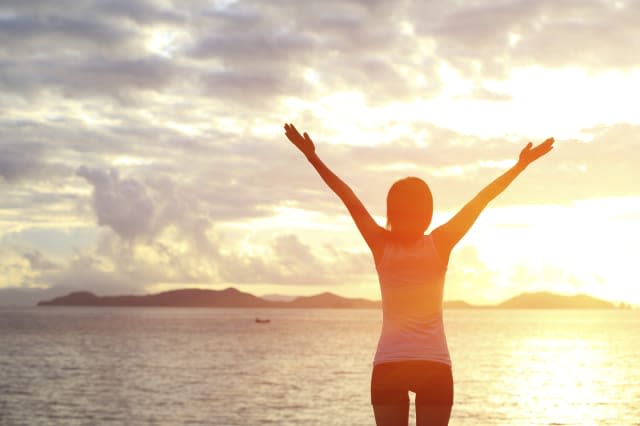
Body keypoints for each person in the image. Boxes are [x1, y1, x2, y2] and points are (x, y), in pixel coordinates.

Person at [283, 123, 554, 426]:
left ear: (391, 212)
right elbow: (482, 199)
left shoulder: (380, 243)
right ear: (427, 213)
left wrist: (312, 157)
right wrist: (520, 166)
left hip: (390, 365)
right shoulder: (440, 242)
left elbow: (346, 196)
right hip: (433, 365)